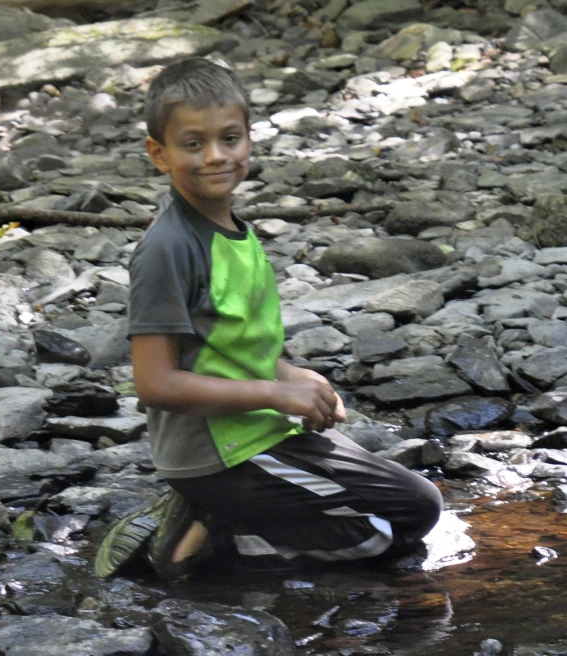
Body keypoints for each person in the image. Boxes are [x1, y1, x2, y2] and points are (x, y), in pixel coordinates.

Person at [125, 57, 443, 583]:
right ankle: (206, 536)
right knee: (388, 530)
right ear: (158, 153)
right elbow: (155, 383)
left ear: (250, 138)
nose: (216, 156)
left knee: (419, 503)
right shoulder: (168, 248)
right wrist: (276, 395)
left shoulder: (231, 228)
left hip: (257, 428)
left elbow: (226, 345)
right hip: (219, 452)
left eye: (230, 138)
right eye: (193, 143)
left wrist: (294, 377)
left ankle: (226, 516)